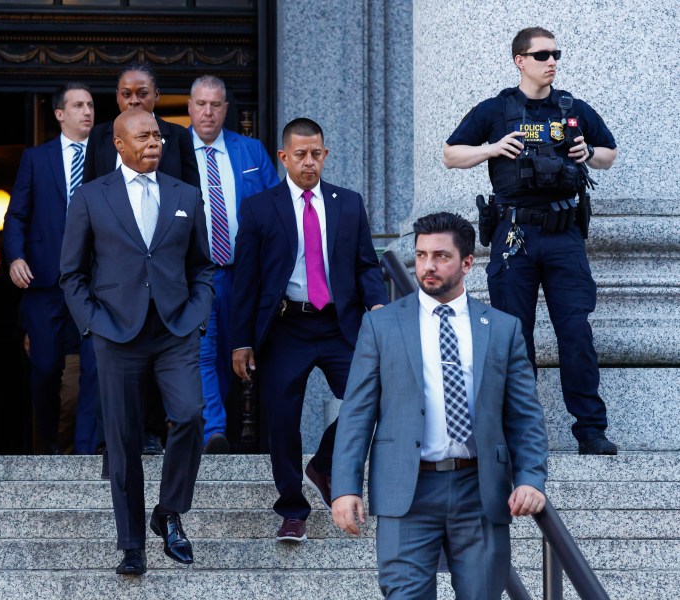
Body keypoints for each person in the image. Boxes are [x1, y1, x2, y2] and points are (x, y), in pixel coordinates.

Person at [331, 211, 549, 598]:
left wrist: (531, 478)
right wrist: (346, 487)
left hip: (480, 490)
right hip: (408, 491)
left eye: (441, 256)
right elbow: (357, 413)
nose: (427, 266)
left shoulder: (502, 327)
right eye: (420, 255)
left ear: (467, 262)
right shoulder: (382, 326)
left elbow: (525, 417)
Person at [443, 27, 618, 455]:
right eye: (542, 55)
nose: (551, 61)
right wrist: (491, 148)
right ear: (520, 60)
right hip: (515, 233)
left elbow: (609, 152)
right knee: (513, 335)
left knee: (575, 331)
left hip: (564, 236)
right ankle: (518, 432)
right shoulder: (497, 110)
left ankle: (590, 430)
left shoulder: (571, 107)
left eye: (555, 53)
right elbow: (451, 154)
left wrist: (586, 154)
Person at [60, 108, 214, 576]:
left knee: (189, 415)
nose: (155, 143)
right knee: (124, 441)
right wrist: (92, 324)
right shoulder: (89, 197)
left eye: (159, 136)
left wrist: (195, 316)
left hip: (174, 329)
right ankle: (132, 546)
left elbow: (202, 266)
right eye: (144, 136)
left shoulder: (186, 193)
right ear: (119, 145)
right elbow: (71, 273)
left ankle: (168, 511)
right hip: (116, 333)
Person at [230, 118, 388, 543]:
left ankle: (324, 463)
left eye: (316, 153)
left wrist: (379, 309)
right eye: (299, 154)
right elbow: (245, 280)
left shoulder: (348, 204)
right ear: (283, 157)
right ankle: (292, 510)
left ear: (326, 155)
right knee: (282, 420)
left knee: (373, 396)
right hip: (285, 326)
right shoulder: (261, 208)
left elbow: (366, 266)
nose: (308, 162)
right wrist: (241, 341)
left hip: (340, 324)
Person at [84, 64, 200, 454]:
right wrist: (91, 314)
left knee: (177, 393)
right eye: (125, 93)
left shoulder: (177, 137)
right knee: (112, 376)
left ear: (156, 96)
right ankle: (110, 444)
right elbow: (89, 202)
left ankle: (154, 431)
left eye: (142, 92)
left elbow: (192, 198)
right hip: (116, 289)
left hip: (168, 282)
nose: (133, 99)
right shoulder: (101, 137)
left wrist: (195, 305)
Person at [3, 82, 100, 455]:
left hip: (93, 282)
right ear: (60, 114)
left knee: (93, 369)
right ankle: (49, 447)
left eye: (90, 105)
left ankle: (87, 449)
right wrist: (15, 257)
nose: (87, 112)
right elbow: (17, 215)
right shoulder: (36, 158)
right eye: (78, 105)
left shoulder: (107, 158)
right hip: (43, 281)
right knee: (44, 368)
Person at [186, 75, 280, 453]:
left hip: (244, 273)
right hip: (198, 273)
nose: (208, 112)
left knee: (235, 353)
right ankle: (213, 432)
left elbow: (275, 209)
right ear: (190, 107)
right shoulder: (173, 151)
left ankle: (223, 428)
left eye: (215, 104)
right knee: (203, 351)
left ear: (226, 109)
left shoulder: (251, 152)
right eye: (201, 104)